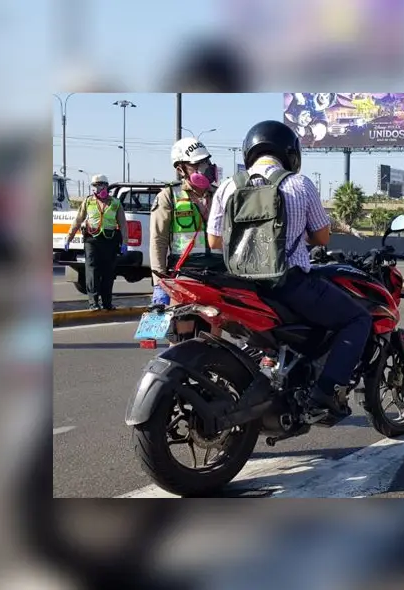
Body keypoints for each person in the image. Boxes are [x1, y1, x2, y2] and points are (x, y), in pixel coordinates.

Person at [206, 120, 371, 417]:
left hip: (240, 286)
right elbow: (322, 237)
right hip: (287, 284)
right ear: (290, 153)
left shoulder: (229, 186)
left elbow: (215, 240)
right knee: (357, 320)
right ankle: (325, 393)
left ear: (250, 151)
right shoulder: (299, 184)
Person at [149, 138, 219, 307]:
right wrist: (159, 281)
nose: (205, 167)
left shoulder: (220, 195)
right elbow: (158, 240)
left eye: (206, 161)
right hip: (185, 271)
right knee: (183, 321)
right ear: (181, 169)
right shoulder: (168, 196)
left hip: (218, 271)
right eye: (197, 164)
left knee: (216, 323)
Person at [64, 174, 127, 310]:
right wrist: (69, 238)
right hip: (91, 240)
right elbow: (78, 220)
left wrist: (125, 243)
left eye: (100, 185)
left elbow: (123, 225)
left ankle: (107, 303)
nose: (97, 188)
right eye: (95, 186)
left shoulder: (115, 203)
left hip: (110, 241)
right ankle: (93, 303)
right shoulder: (88, 201)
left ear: (106, 186)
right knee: (92, 270)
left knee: (108, 272)